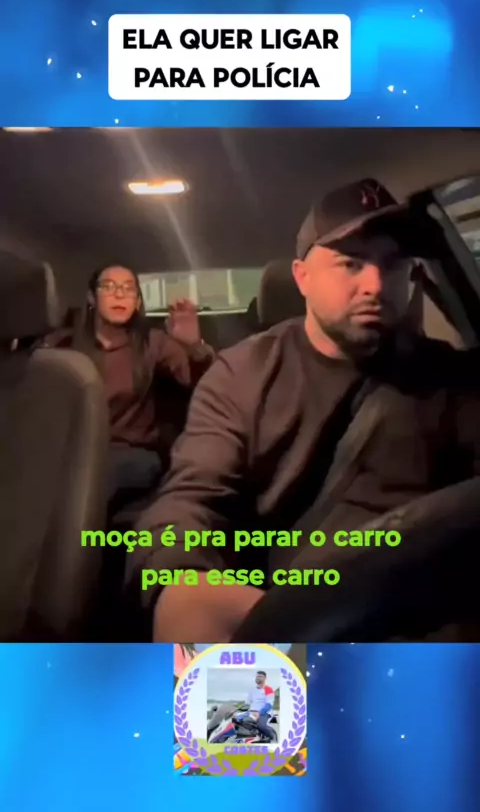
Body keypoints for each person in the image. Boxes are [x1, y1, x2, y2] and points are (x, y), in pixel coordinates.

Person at [129, 179, 480, 642]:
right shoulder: (242, 374)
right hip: (283, 618)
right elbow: (190, 499)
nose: (375, 285)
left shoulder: (455, 380)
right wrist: (186, 583)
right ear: (302, 277)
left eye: (393, 263)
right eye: (351, 263)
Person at [43, 263, 215, 509]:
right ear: (92, 297)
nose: (119, 294)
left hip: (133, 454)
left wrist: (193, 346)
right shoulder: (63, 345)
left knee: (95, 480)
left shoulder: (152, 343)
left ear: (137, 302)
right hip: (74, 452)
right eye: (109, 287)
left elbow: (209, 385)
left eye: (128, 288)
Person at [212, 671, 276, 743]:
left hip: (264, 713)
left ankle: (272, 738)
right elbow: (247, 703)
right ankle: (222, 738)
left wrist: (259, 713)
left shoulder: (268, 689)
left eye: (260, 676)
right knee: (234, 720)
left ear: (265, 678)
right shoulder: (252, 690)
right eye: (257, 676)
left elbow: (269, 704)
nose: (257, 678)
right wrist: (235, 709)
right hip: (251, 712)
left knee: (261, 726)